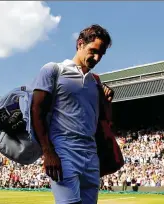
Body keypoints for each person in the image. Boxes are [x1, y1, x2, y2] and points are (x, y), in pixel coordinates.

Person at [31, 24, 114, 204]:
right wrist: (48, 152)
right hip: (64, 150)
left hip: (91, 153)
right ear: (80, 44)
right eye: (93, 51)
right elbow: (37, 110)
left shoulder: (96, 82)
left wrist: (106, 97)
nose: (97, 58)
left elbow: (103, 120)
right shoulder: (53, 70)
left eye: (101, 54)